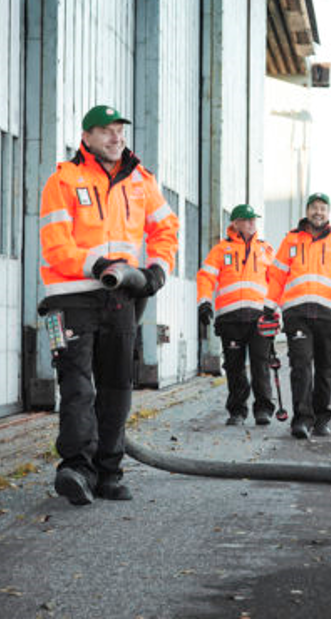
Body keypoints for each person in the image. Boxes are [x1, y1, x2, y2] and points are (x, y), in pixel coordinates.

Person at [38, 105, 179, 504]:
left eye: (119, 131)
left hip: (123, 297)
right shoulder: (63, 181)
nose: (116, 138)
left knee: (117, 386)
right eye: (106, 131)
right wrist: (96, 264)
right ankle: (76, 469)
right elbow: (56, 244)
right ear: (86, 138)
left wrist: (157, 271)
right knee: (78, 385)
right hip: (70, 298)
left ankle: (108, 473)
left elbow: (167, 229)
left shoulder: (141, 181)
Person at [266, 193, 331, 439]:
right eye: (314, 208)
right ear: (307, 211)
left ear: (328, 213)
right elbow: (277, 275)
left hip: (329, 314)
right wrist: (269, 305)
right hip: (297, 313)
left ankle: (321, 419)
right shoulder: (292, 239)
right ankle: (302, 420)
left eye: (323, 208)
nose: (318, 212)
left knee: (324, 368)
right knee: (300, 366)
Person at [197, 204, 277, 426]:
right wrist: (204, 302)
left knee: (261, 363)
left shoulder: (266, 250)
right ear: (235, 223)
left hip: (259, 317)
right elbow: (206, 277)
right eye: (247, 219)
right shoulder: (221, 250)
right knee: (234, 366)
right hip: (230, 318)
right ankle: (237, 411)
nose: (252, 223)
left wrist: (276, 310)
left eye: (254, 220)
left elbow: (277, 281)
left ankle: (263, 410)